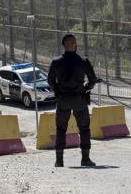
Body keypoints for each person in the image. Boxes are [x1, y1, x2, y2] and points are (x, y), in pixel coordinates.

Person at [48, 33, 98, 167]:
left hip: (63, 99)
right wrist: (86, 89)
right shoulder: (83, 61)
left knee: (60, 129)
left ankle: (59, 161)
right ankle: (85, 158)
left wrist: (58, 91)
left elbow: (50, 81)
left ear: (64, 45)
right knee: (84, 128)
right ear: (75, 44)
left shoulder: (56, 62)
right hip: (79, 98)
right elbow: (93, 80)